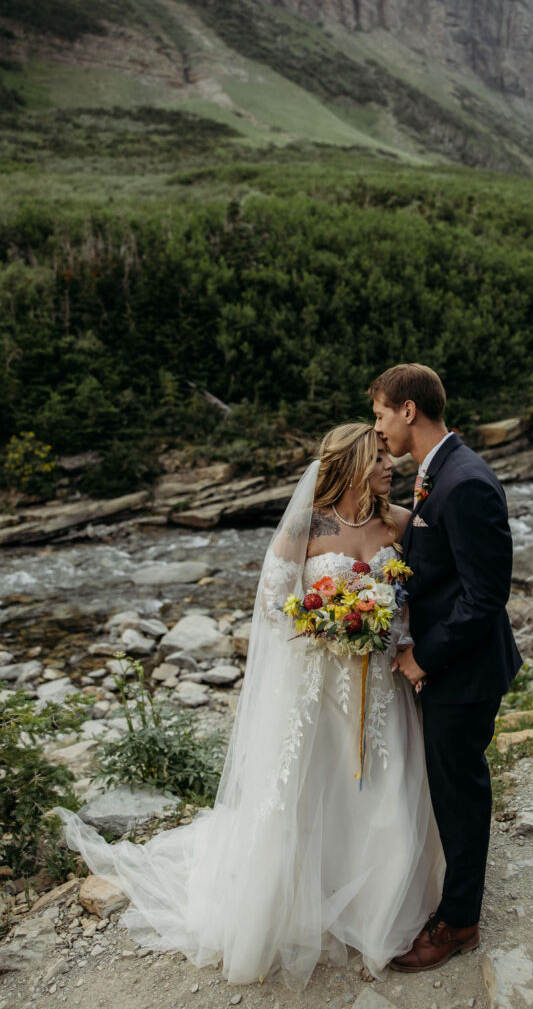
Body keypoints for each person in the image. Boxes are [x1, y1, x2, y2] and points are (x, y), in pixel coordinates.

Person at [55, 423, 444, 990]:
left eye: (389, 453)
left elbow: (421, 596)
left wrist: (398, 631)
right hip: (319, 687)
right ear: (354, 463)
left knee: (387, 785)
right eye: (380, 455)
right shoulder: (308, 526)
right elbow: (272, 604)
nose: (391, 463)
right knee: (316, 789)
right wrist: (331, 622)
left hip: (382, 688)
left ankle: (384, 902)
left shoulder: (402, 524)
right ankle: (305, 903)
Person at [369, 363, 522, 973]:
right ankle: (454, 895)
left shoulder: (465, 482)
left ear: (409, 410)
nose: (377, 427)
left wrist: (420, 656)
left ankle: (459, 922)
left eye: (381, 412)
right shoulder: (436, 474)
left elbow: (486, 596)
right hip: (451, 665)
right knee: (450, 786)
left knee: (460, 791)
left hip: (464, 671)